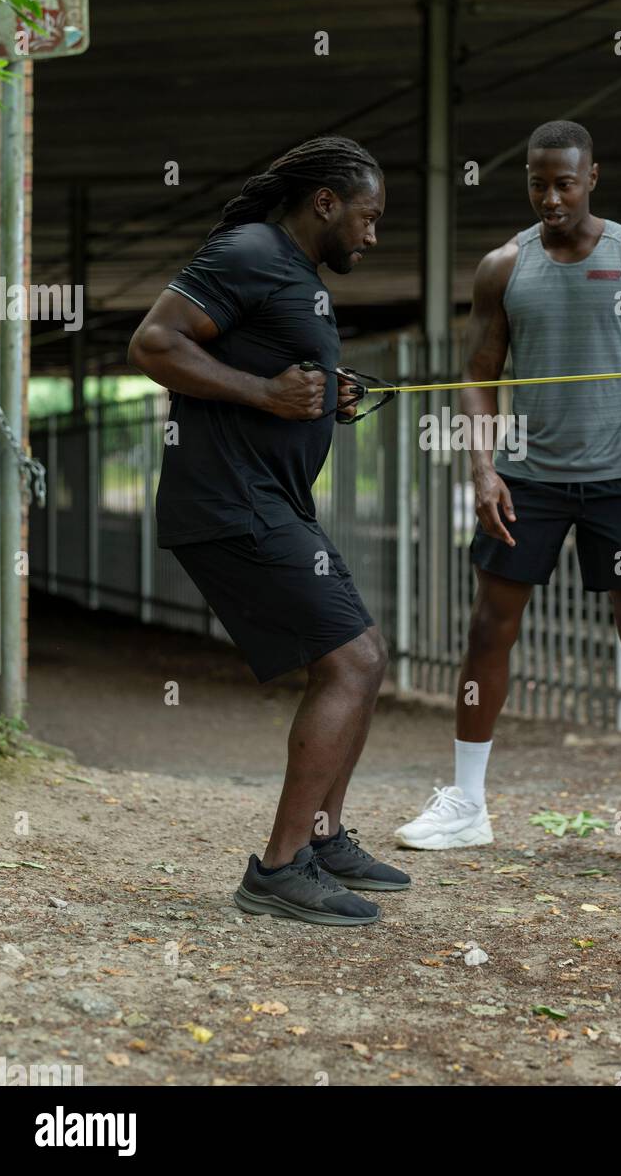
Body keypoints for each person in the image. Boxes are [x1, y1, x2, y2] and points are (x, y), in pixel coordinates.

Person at [396, 120, 621, 870]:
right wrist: (481, 468)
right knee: (487, 629)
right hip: (529, 476)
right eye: (537, 183)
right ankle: (467, 805)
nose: (550, 197)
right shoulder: (503, 266)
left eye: (563, 182)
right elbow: (477, 374)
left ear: (592, 177)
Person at [128, 136, 410, 927]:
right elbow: (152, 343)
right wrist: (263, 392)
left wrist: (327, 396)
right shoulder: (251, 250)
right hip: (230, 503)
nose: (372, 235)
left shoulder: (294, 276)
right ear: (325, 203)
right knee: (350, 663)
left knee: (366, 657)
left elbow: (283, 378)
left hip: (271, 502)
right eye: (368, 216)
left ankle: (321, 839)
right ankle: (280, 868)